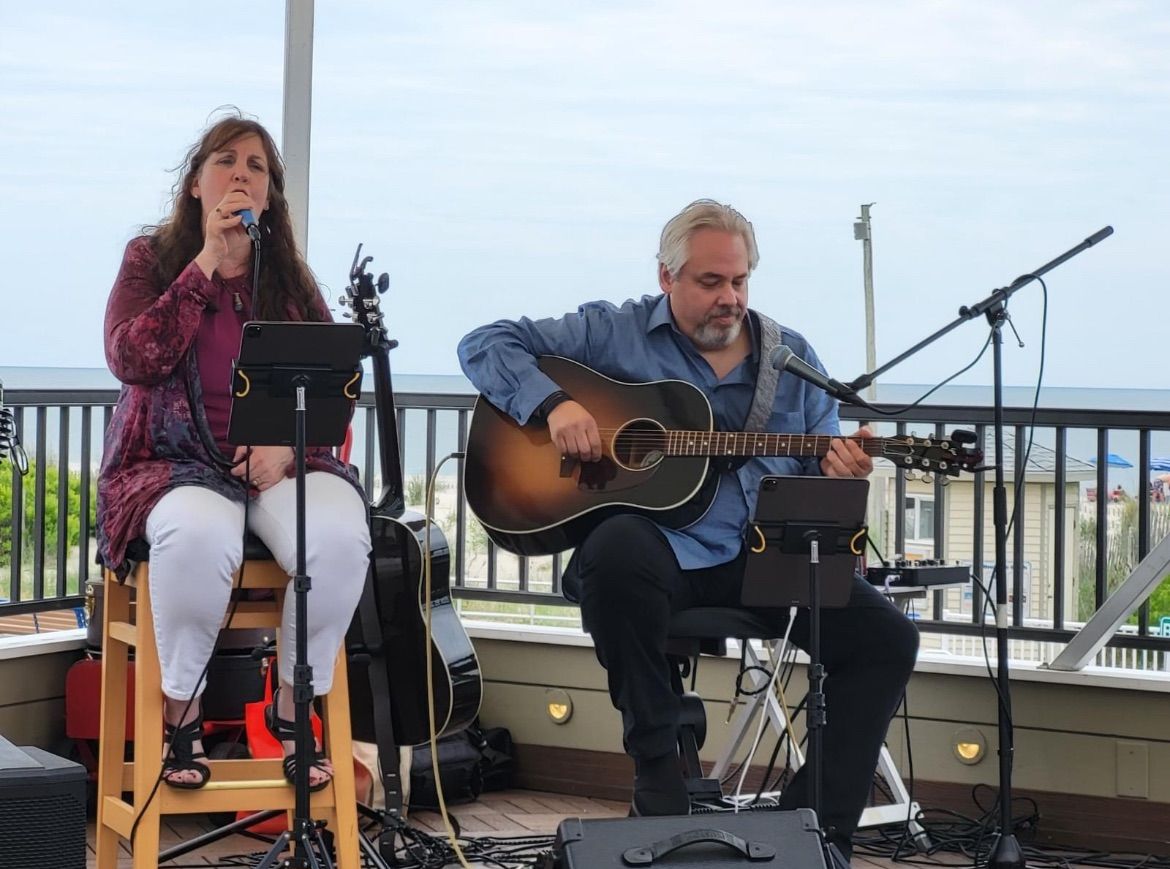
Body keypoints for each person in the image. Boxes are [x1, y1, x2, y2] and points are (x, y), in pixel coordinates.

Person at [457, 199, 918, 858]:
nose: (728, 298)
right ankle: (659, 770)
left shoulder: (790, 359)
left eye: (739, 281)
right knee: (613, 550)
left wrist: (842, 476)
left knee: (888, 638)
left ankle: (815, 825)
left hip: (760, 557)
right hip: (657, 557)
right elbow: (484, 343)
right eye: (710, 282)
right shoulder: (613, 333)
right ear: (667, 277)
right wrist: (554, 405)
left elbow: (819, 488)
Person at [96, 112, 371, 790]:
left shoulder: (289, 280)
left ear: (270, 197)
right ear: (196, 184)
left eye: (256, 166)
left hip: (279, 464)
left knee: (340, 534)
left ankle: (291, 706)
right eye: (226, 161)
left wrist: (286, 448)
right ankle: (181, 709)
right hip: (174, 463)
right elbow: (133, 355)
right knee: (197, 536)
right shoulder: (151, 261)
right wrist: (206, 264)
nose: (241, 173)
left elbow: (336, 384)